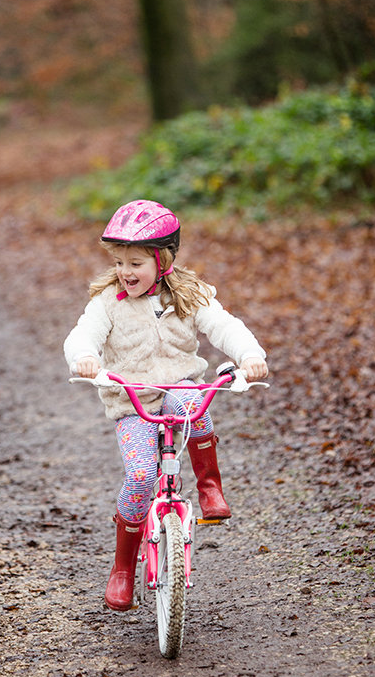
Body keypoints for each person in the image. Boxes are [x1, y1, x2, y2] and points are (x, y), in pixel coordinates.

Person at [63, 198, 268, 612]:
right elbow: (82, 335)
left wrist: (249, 356)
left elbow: (224, 327)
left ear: (163, 259)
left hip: (176, 387)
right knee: (140, 476)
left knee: (195, 401)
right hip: (132, 398)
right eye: (120, 262)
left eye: (135, 263)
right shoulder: (108, 302)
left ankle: (209, 486)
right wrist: (84, 357)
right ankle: (123, 568)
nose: (125, 272)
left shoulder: (190, 295)